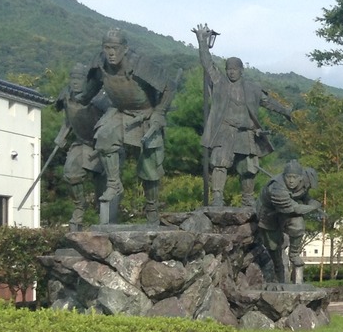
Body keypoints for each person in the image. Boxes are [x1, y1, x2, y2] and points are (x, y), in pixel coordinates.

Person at [83, 28, 176, 225]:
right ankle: (114, 184)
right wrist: (79, 100)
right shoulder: (100, 64)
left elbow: (169, 86)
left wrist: (159, 112)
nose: (111, 53)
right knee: (104, 135)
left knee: (150, 167)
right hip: (119, 111)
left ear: (125, 48)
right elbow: (91, 88)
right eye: (107, 48)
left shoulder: (140, 64)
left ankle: (152, 208)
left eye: (115, 48)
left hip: (146, 114)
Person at [194, 23, 293, 206]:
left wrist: (285, 111)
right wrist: (202, 41)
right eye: (228, 69)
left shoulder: (252, 88)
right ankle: (217, 197)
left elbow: (268, 102)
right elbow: (207, 63)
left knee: (248, 167)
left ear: (241, 70)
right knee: (220, 162)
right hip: (225, 130)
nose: (231, 72)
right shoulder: (220, 83)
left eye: (234, 69)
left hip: (246, 132)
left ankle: (247, 198)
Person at [52, 63, 105, 231]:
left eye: (80, 78)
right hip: (81, 142)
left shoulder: (97, 97)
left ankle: (104, 216)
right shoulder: (66, 96)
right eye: (73, 78)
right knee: (71, 173)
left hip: (100, 145)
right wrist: (61, 136)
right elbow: (68, 120)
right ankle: (79, 208)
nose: (75, 82)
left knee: (103, 186)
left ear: (86, 81)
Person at [256, 159, 323, 284]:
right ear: (284, 176)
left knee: (298, 225)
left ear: (301, 177)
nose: (291, 181)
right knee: (273, 246)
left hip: (288, 212)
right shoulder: (276, 188)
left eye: (294, 177)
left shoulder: (306, 178)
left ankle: (294, 254)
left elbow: (303, 194)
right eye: (288, 177)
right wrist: (312, 207)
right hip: (269, 213)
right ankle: (278, 273)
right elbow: (294, 208)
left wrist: (310, 200)